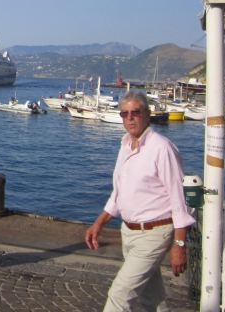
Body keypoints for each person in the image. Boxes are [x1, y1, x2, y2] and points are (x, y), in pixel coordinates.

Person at [85, 91, 195, 312]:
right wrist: (99, 223)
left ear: (148, 113)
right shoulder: (125, 146)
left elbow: (179, 200)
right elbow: (119, 193)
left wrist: (179, 244)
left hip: (155, 232)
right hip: (130, 232)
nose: (130, 118)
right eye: (124, 114)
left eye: (135, 112)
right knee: (151, 299)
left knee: (120, 293)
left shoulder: (162, 148)